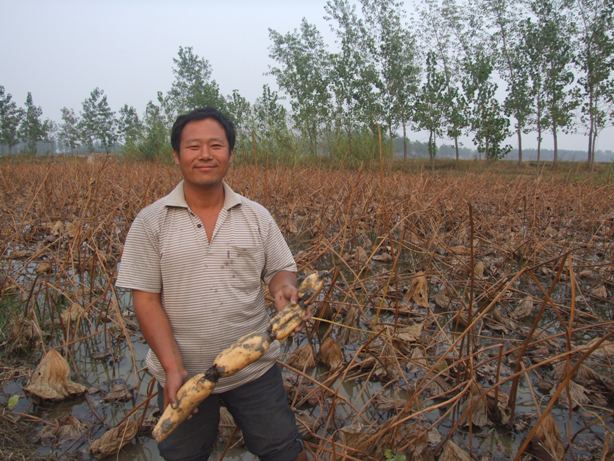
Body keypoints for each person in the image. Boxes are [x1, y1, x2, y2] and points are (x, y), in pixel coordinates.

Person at [116, 107, 306, 461]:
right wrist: (173, 367)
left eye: (216, 145)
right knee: (183, 456)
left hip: (254, 368)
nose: (205, 154)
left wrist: (283, 288)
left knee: (283, 451)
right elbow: (146, 300)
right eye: (193, 146)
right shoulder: (151, 221)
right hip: (185, 376)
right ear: (176, 155)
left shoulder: (256, 216)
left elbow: (280, 269)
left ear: (230, 153)